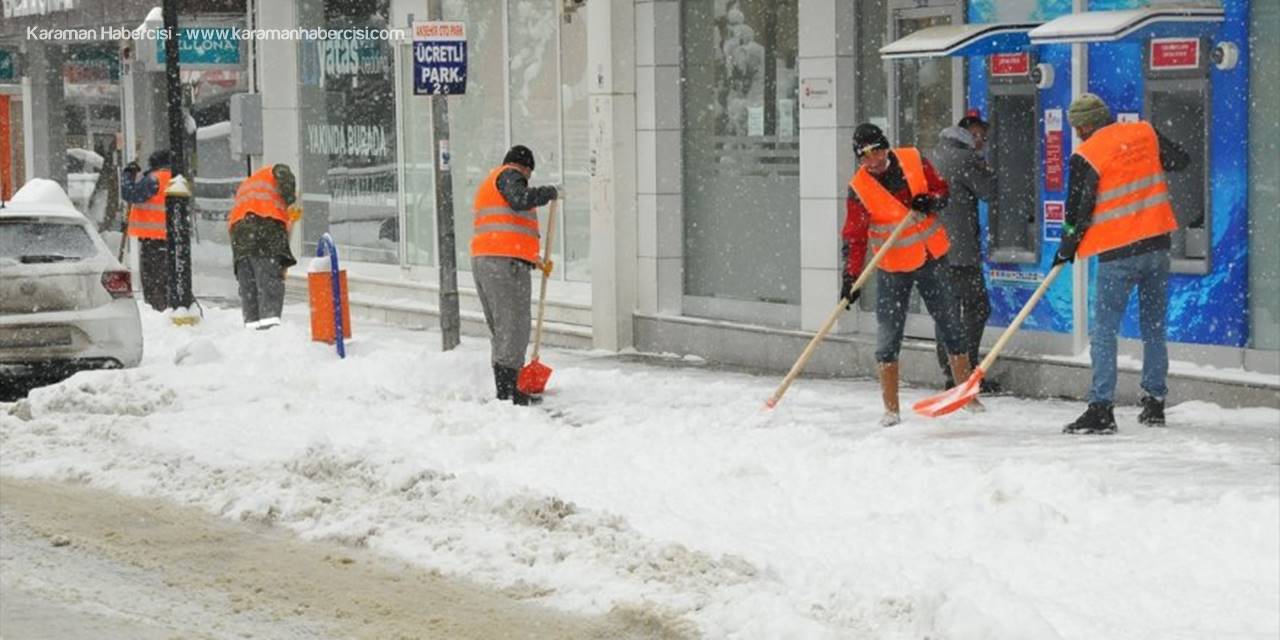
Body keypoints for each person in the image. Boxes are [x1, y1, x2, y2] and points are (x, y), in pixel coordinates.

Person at [1055, 93, 1189, 434]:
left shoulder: (1087, 154)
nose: (1078, 134)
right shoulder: (1145, 132)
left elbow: (1076, 212)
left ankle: (1101, 408)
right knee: (1153, 328)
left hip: (1119, 252)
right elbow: (1181, 160)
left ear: (1085, 125)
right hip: (1158, 245)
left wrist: (1067, 246)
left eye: (1077, 127)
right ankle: (1155, 402)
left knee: (1104, 332)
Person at [841, 123, 981, 427]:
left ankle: (967, 396)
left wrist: (930, 201)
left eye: (877, 151)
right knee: (888, 335)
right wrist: (850, 278)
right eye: (865, 157)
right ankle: (891, 409)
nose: (874, 161)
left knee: (951, 325)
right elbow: (855, 237)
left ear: (886, 147)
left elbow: (942, 190)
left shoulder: (913, 159)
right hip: (893, 269)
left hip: (932, 258)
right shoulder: (859, 188)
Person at [471, 145, 558, 406]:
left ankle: (506, 386)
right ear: (525, 167)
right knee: (514, 324)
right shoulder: (509, 175)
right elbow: (519, 199)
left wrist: (536, 261)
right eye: (529, 175)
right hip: (503, 265)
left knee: (503, 326)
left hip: (491, 260)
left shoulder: (493, 180)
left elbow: (511, 228)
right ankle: (509, 391)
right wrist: (548, 193)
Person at [928, 110, 998, 392]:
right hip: (960, 252)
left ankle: (950, 372)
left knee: (947, 311)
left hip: (935, 248)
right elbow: (990, 191)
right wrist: (990, 167)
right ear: (970, 133)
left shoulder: (934, 154)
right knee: (977, 308)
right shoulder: (966, 158)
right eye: (981, 136)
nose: (983, 142)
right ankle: (964, 374)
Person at [228, 163, 298, 329]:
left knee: (249, 290)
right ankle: (269, 333)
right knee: (270, 286)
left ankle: (252, 334)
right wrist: (291, 200)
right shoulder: (277, 170)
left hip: (240, 238)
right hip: (264, 232)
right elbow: (284, 178)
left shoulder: (247, 185)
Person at [120, 150, 172, 311]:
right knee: (165, 280)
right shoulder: (175, 179)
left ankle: (157, 310)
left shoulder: (154, 179)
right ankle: (165, 307)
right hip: (169, 240)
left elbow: (130, 193)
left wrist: (127, 175)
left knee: (153, 281)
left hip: (154, 241)